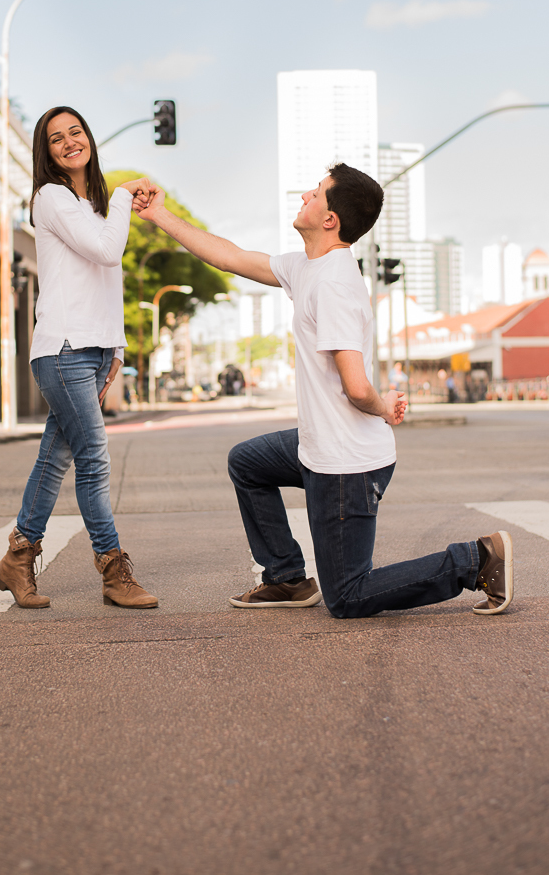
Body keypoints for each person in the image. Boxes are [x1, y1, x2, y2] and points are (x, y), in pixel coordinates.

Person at [134, 163, 513, 617]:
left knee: (348, 596)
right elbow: (230, 255)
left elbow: (356, 387)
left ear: (330, 220)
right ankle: (287, 577)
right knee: (247, 463)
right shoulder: (308, 266)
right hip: (320, 447)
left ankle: (477, 561)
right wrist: (159, 215)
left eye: (314, 195)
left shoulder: (334, 284)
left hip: (346, 466)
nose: (303, 199)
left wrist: (383, 406)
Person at [0, 105, 158, 611]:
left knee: (56, 457)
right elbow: (108, 253)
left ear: (89, 138)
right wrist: (129, 193)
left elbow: (106, 278)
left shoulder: (91, 204)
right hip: (63, 349)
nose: (68, 142)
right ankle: (112, 570)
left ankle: (18, 558)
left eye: (76, 132)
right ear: (46, 152)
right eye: (56, 138)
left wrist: (117, 345)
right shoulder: (51, 197)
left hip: (90, 348)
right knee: (93, 459)